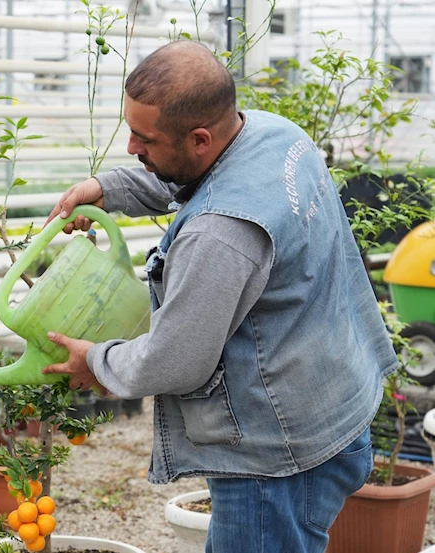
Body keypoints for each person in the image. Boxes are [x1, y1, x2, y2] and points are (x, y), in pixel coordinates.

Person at [41, 41, 397, 553]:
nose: (130, 148)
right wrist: (109, 188)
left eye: (144, 138)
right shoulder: (277, 136)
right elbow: (198, 178)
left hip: (275, 460)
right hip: (336, 408)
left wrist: (96, 361)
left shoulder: (219, 236)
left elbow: (175, 360)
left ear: (201, 138)